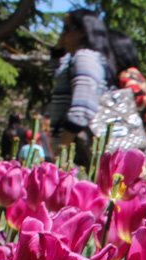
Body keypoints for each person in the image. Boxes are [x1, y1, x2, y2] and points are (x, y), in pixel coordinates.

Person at [48, 9, 115, 167]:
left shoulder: (85, 57)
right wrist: (60, 44)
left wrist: (60, 154)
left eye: (66, 29)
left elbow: (82, 110)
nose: (62, 36)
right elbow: (53, 70)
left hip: (76, 156)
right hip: (73, 153)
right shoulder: (75, 58)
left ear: (82, 31)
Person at [110, 29, 146, 157]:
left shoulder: (127, 77)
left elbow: (143, 109)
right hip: (143, 144)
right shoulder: (134, 74)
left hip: (134, 147)